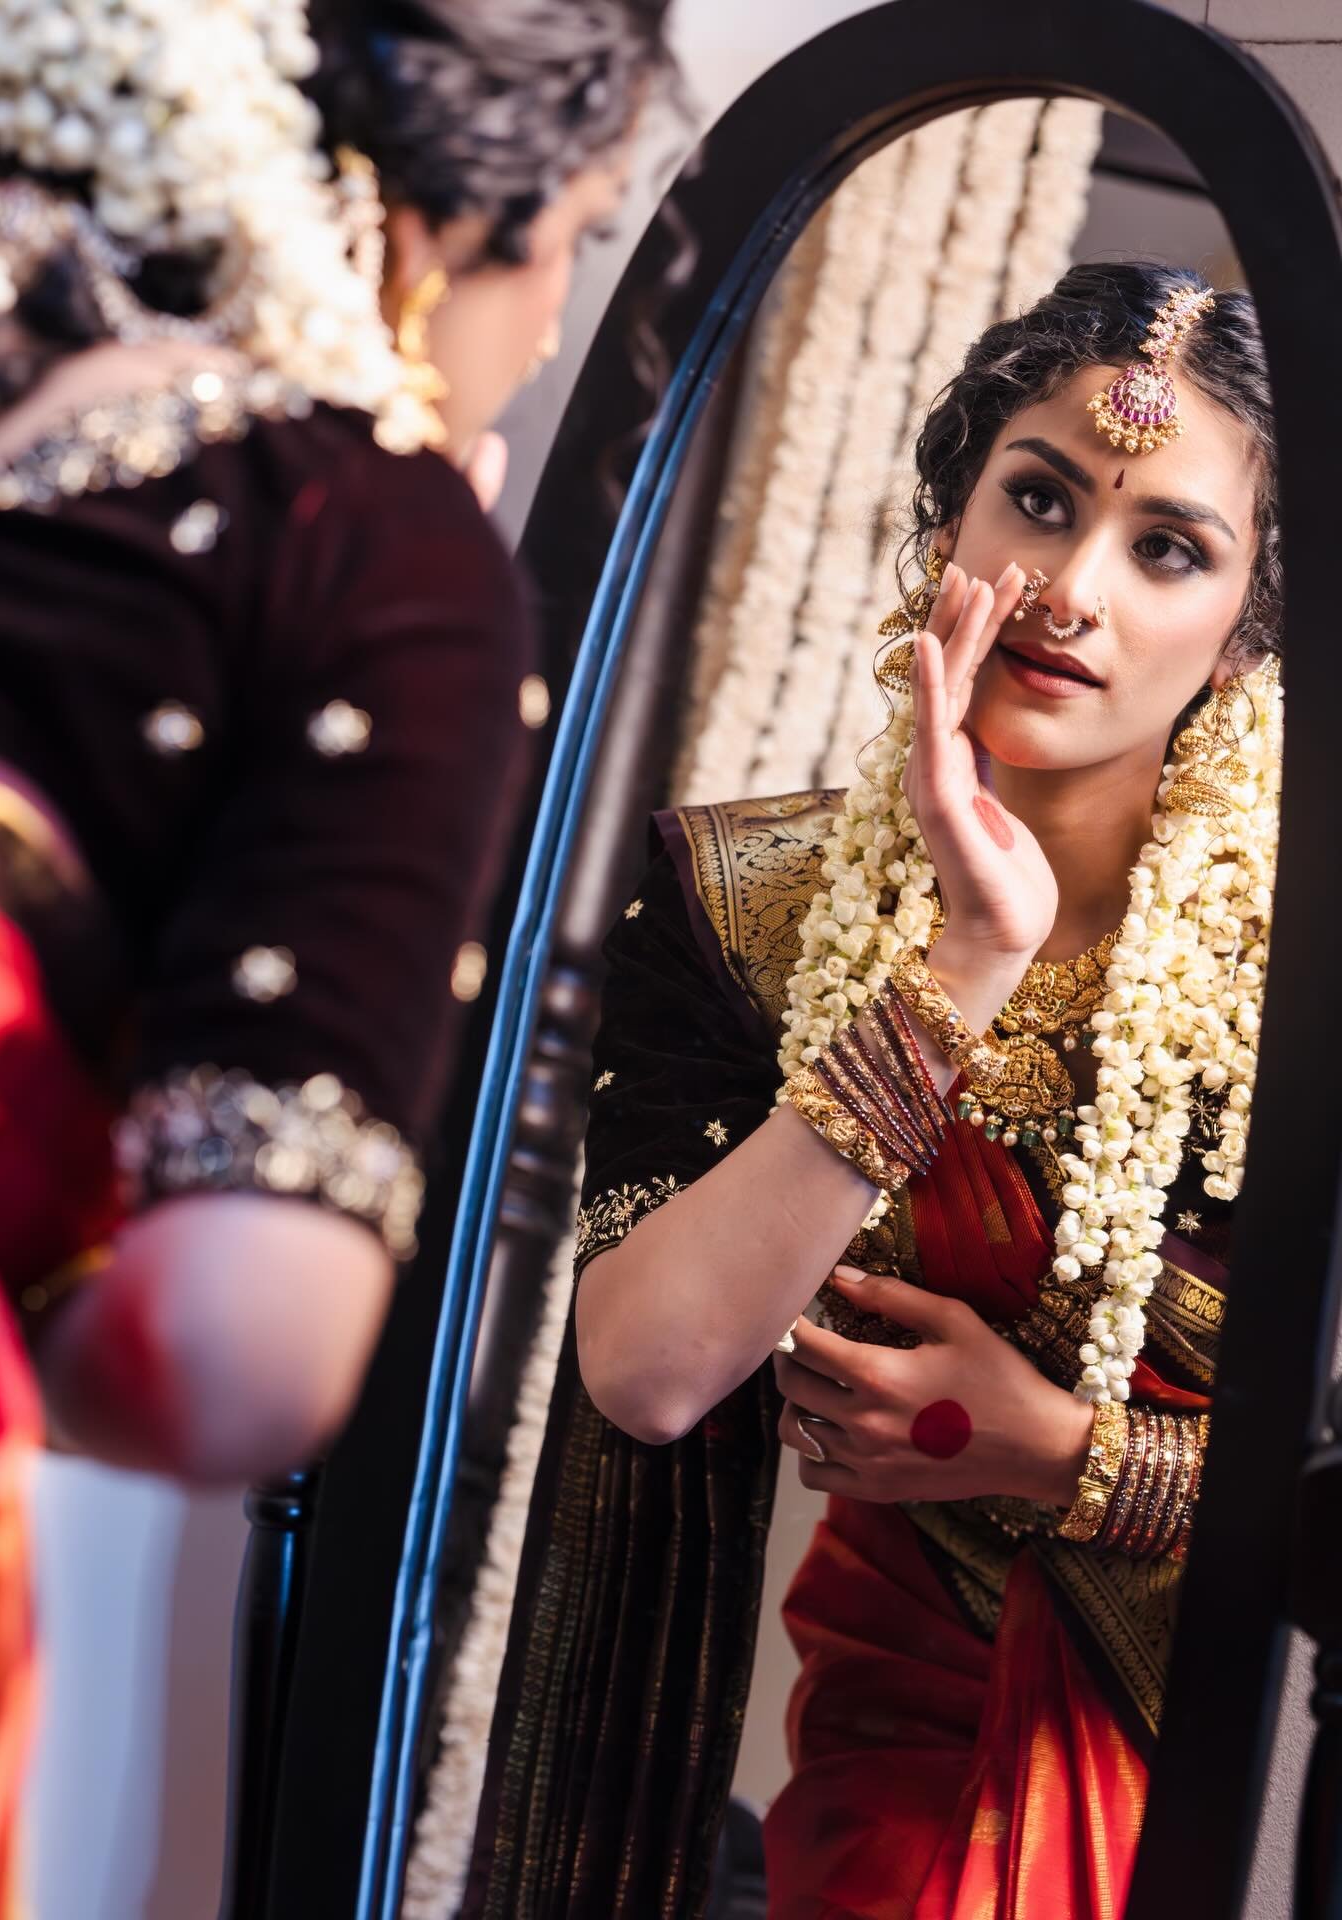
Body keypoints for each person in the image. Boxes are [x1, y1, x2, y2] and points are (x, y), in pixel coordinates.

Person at [0, 0, 676, 1912]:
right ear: (427, 228)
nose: (548, 327)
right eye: (575, 238)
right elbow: (233, 1355)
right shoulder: (360, 535)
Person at [463, 263, 1281, 1919]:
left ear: (1253, 623)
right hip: (893, 1742)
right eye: (1037, 500)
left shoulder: (1300, 963)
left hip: (1235, 1780)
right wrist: (958, 967)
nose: (1069, 590)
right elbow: (648, 1369)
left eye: (1167, 548)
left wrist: (1066, 1456)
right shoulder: (752, 906)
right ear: (950, 514)